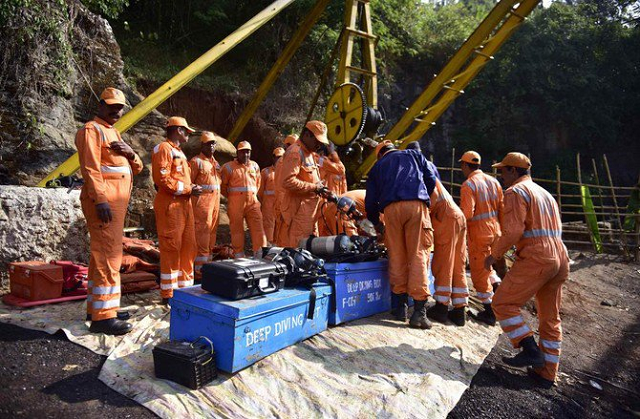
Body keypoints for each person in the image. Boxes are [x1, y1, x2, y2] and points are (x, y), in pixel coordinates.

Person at [487, 152, 569, 388]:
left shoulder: (515, 192)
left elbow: (512, 232)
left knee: (502, 303)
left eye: (503, 171)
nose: (500, 176)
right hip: (560, 256)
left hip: (538, 256)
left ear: (514, 171)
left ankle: (528, 347)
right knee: (550, 317)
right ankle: (547, 373)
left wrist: (493, 256)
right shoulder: (546, 194)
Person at [76, 87, 143, 335]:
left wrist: (131, 153)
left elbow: (137, 167)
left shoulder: (113, 132)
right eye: (111, 106)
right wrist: (101, 200)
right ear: (101, 105)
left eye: (120, 107)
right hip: (103, 204)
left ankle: (101, 307)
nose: (116, 110)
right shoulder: (91, 131)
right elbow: (91, 169)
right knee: (109, 256)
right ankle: (103, 318)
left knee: (101, 255)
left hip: (115, 204)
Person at [365, 140, 437, 329]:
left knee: (396, 256)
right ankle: (419, 313)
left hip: (390, 210)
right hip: (416, 205)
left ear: (380, 154)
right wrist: (423, 197)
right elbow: (430, 179)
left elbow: (370, 200)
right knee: (418, 254)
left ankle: (400, 308)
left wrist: (376, 222)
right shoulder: (414, 155)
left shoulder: (378, 167)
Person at [152, 116, 198, 303]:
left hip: (184, 205)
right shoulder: (163, 149)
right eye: (186, 131)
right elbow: (162, 179)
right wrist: (188, 189)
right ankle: (169, 294)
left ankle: (185, 291)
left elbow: (178, 179)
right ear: (178, 130)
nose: (188, 134)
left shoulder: (179, 152)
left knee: (188, 247)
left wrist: (191, 188)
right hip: (171, 206)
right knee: (171, 248)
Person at [459, 150, 503, 325]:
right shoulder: (494, 182)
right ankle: (497, 286)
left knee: (478, 273)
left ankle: (490, 312)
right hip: (496, 231)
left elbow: (467, 213)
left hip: (480, 234)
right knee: (488, 266)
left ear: (465, 165)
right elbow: (502, 207)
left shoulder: (468, 185)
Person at [278, 122, 329, 247]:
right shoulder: (295, 152)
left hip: (309, 214)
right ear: (306, 135)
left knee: (309, 251)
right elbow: (287, 181)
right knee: (298, 251)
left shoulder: (310, 154)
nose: (320, 144)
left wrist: (320, 187)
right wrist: (314, 187)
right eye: (317, 140)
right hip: (298, 215)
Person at [426, 177, 468, 326]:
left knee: (443, 262)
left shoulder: (420, 174)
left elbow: (431, 199)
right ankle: (459, 310)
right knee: (458, 265)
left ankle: (441, 307)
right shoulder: (429, 173)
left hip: (445, 217)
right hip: (458, 217)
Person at [221, 141, 266, 257]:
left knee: (259, 231)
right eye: (242, 152)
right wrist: (233, 198)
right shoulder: (228, 167)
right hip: (236, 204)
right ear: (237, 153)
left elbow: (258, 183)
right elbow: (223, 187)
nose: (245, 155)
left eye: (247, 152)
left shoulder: (255, 166)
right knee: (237, 232)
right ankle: (239, 257)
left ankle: (261, 256)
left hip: (253, 203)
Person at [189, 131, 221, 279]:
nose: (211, 146)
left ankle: (207, 269)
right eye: (209, 144)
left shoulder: (215, 163)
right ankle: (199, 272)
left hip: (214, 204)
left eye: (213, 143)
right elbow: (188, 181)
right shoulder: (196, 162)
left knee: (211, 236)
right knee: (202, 237)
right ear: (202, 145)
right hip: (202, 204)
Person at [274, 134, 298, 245]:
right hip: (284, 201)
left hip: (286, 200)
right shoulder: (284, 161)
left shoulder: (288, 159)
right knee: (284, 229)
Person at [259, 147, 284, 243]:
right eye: (278, 157)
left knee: (280, 228)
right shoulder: (265, 172)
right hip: (268, 207)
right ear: (273, 158)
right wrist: (264, 205)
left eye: (281, 157)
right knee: (268, 228)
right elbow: (260, 192)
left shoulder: (286, 173)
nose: (280, 160)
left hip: (281, 206)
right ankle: (268, 248)